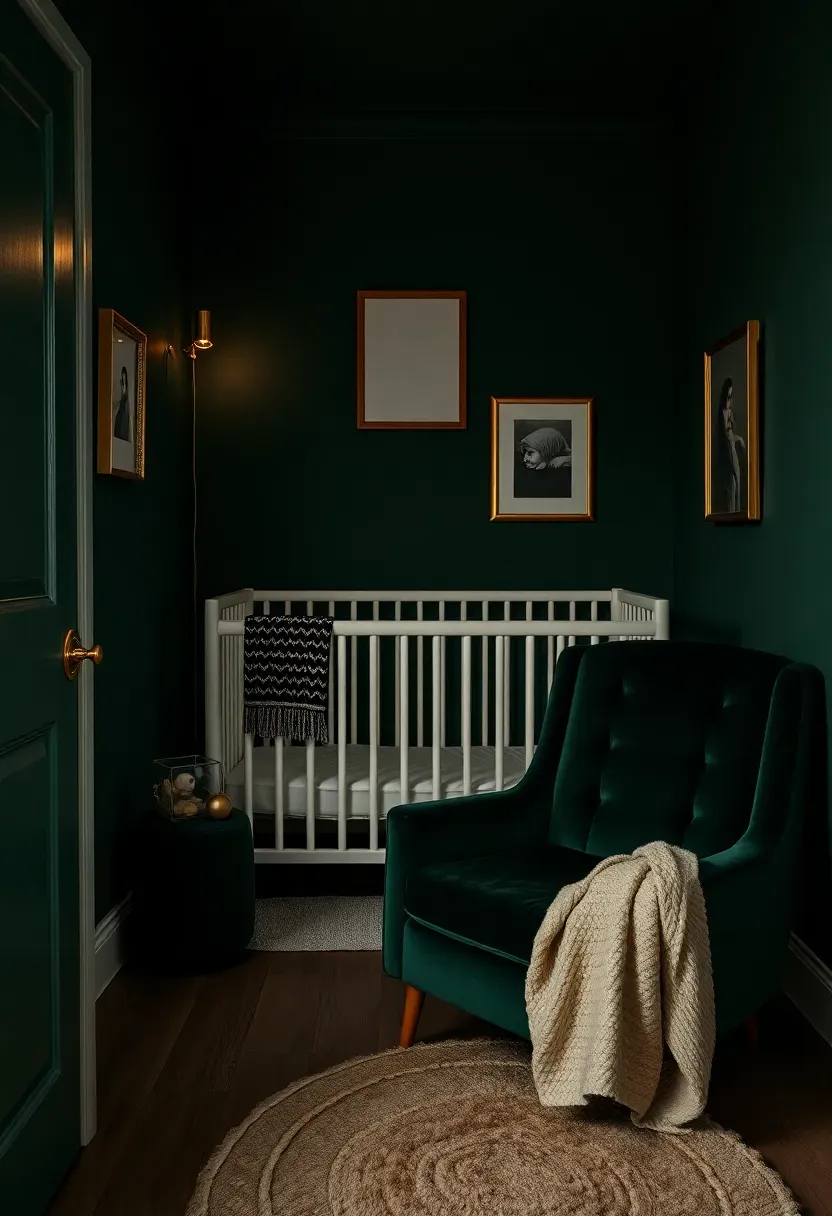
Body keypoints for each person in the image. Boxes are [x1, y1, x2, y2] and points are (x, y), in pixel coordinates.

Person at [515, 425, 572, 499]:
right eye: (525, 453)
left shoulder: (563, 477)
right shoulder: (524, 474)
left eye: (530, 453)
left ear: (546, 451)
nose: (525, 459)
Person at [716, 378, 745, 512]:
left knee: (736, 481)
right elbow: (725, 435)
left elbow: (731, 432)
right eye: (728, 397)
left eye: (731, 397)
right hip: (727, 451)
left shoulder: (729, 413)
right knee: (732, 481)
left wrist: (737, 438)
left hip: (731, 446)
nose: (729, 400)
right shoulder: (722, 413)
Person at [114, 366, 131, 442]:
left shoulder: (127, 404)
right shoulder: (119, 401)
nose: (122, 386)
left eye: (124, 383)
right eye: (122, 382)